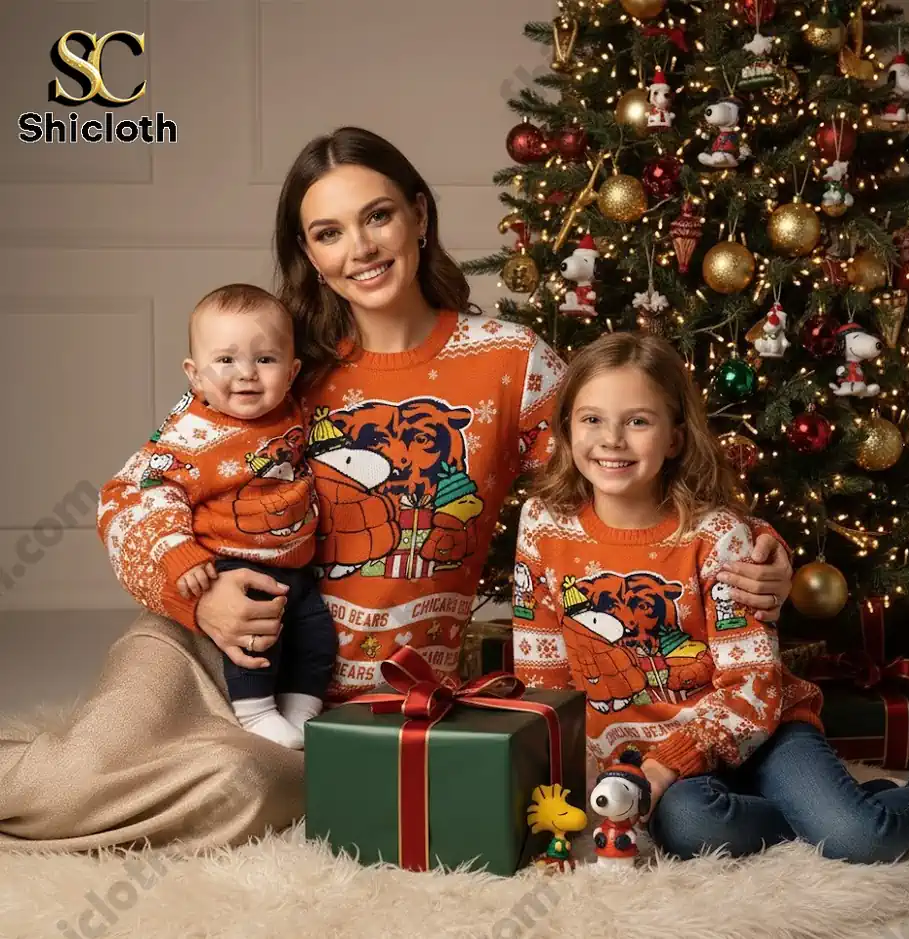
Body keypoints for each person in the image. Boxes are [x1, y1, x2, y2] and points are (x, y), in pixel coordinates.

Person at [0, 127, 792, 852]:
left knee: (236, 790)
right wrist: (197, 600)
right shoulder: (276, 365)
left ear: (418, 214)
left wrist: (757, 547)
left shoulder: (509, 363)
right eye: (328, 232)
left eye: (377, 216)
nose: (360, 248)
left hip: (363, 716)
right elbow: (133, 492)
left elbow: (632, 469)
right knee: (78, 771)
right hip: (202, 644)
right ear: (309, 254)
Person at [512, 330, 909, 864]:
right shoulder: (542, 525)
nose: (612, 440)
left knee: (861, 839)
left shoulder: (718, 537)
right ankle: (833, 810)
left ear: (675, 437)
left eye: (638, 420)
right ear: (565, 428)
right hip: (662, 769)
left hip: (764, 731)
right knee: (691, 827)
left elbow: (753, 688)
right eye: (592, 419)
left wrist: (665, 764)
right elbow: (545, 680)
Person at [119, 283, 334, 749]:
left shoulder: (294, 412)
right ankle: (256, 713)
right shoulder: (190, 435)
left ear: (293, 370)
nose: (247, 375)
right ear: (195, 375)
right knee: (259, 640)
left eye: (266, 360)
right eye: (226, 360)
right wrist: (178, 553)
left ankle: (302, 710)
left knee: (316, 635)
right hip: (234, 562)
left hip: (295, 564)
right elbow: (153, 492)